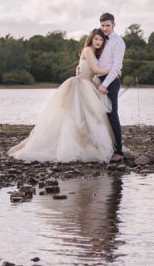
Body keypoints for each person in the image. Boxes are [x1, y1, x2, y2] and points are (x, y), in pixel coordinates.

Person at [8, 29, 115, 163]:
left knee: (86, 118)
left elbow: (86, 69)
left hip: (87, 84)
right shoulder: (88, 50)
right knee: (75, 117)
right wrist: (114, 70)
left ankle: (87, 144)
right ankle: (74, 145)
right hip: (81, 85)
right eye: (96, 39)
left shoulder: (93, 52)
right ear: (91, 39)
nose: (98, 42)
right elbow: (96, 70)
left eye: (101, 40)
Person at [96, 12, 126, 162]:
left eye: (108, 25)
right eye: (103, 25)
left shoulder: (118, 42)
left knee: (112, 114)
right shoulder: (98, 38)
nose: (105, 28)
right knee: (95, 113)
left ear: (114, 24)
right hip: (96, 80)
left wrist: (104, 84)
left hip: (111, 81)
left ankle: (119, 151)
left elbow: (116, 66)